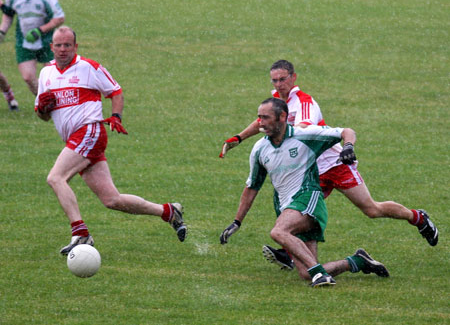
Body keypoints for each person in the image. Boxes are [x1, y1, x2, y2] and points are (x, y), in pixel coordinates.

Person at [220, 59, 438, 270]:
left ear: (294, 77)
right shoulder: (277, 100)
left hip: (334, 163)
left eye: (282, 79)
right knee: (294, 209)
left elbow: (301, 132)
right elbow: (263, 120)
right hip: (310, 171)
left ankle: (417, 217)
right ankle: (292, 255)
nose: (278, 85)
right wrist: (238, 138)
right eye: (274, 80)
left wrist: (347, 146)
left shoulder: (304, 103)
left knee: (371, 209)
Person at [35, 26, 187, 255]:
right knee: (111, 200)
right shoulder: (46, 74)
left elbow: (115, 91)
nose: (63, 49)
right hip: (77, 140)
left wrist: (116, 116)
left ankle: (81, 233)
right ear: (51, 47)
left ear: (76, 47)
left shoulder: (88, 67)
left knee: (56, 177)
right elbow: (43, 116)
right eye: (59, 45)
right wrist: (44, 109)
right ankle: (168, 212)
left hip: (89, 132)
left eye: (68, 45)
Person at [220, 98, 389, 287]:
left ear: (282, 117)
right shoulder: (259, 149)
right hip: (286, 208)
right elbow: (252, 187)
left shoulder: (305, 135)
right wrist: (237, 221)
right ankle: (357, 261)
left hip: (309, 200)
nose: (261, 122)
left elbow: (346, 132)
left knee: (278, 231)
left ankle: (321, 276)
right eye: (259, 117)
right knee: (305, 273)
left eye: (266, 117)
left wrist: (348, 146)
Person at [0, 0, 65, 96]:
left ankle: (54, 101)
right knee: (28, 78)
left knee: (52, 78)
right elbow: (8, 15)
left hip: (46, 41)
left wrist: (40, 30)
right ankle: (43, 102)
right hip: (24, 41)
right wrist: (2, 32)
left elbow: (60, 17)